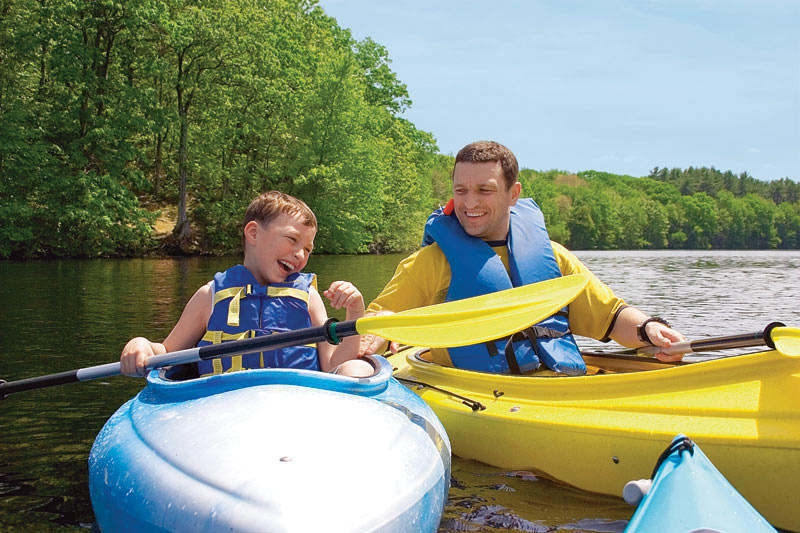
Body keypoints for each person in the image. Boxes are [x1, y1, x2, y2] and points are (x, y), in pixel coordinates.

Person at [360, 141, 686, 375]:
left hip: (558, 383)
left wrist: (650, 329)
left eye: (484, 190)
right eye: (461, 190)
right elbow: (374, 326)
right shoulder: (429, 263)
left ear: (513, 194)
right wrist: (377, 329)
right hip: (475, 391)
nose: (469, 203)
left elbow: (612, 317)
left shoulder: (554, 258)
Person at [121, 191, 373, 378]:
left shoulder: (308, 297)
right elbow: (165, 354)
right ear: (253, 233)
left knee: (357, 369)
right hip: (226, 405)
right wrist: (141, 344)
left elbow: (333, 366)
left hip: (295, 403)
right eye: (291, 240)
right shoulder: (209, 296)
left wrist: (354, 313)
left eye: (307, 248)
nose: (300, 254)